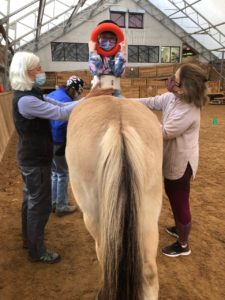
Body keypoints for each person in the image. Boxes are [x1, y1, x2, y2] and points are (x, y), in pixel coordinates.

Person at [9, 51, 113, 264]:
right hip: (35, 159)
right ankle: (36, 250)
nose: (41, 71)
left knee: (30, 200)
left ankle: (30, 240)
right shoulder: (26, 101)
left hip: (33, 156)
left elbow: (60, 106)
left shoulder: (33, 94)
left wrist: (86, 99)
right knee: (40, 204)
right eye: (37, 68)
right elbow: (62, 114)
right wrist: (90, 99)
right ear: (26, 72)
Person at [130, 63, 208, 257]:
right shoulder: (172, 98)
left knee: (179, 200)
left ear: (183, 88)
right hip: (172, 156)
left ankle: (183, 244)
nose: (170, 81)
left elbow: (163, 132)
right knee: (175, 195)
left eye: (175, 79)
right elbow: (151, 101)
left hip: (181, 162)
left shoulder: (189, 110)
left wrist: (141, 120)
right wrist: (125, 102)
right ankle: (179, 227)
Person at [48, 76, 84, 216]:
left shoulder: (54, 93)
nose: (77, 95)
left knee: (55, 173)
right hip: (57, 140)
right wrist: (63, 142)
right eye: (77, 92)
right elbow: (59, 125)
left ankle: (54, 202)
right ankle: (61, 205)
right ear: (72, 89)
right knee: (63, 173)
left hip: (47, 139)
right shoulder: (65, 100)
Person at [88, 20, 126, 97]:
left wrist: (122, 53)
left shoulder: (118, 56)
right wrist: (92, 52)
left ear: (116, 40)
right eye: (104, 37)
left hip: (115, 92)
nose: (108, 42)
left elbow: (118, 72)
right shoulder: (95, 54)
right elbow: (96, 71)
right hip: (98, 91)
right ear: (98, 39)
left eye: (111, 38)